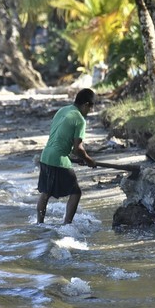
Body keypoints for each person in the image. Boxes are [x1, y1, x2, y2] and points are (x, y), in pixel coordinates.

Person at [36, 88, 97, 224]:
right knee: (76, 193)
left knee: (45, 193)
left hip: (45, 156)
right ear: (86, 104)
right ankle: (67, 225)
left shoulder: (62, 110)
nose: (90, 111)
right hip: (58, 160)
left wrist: (76, 160)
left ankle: (39, 224)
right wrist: (89, 160)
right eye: (91, 107)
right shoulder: (80, 120)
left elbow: (59, 141)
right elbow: (77, 148)